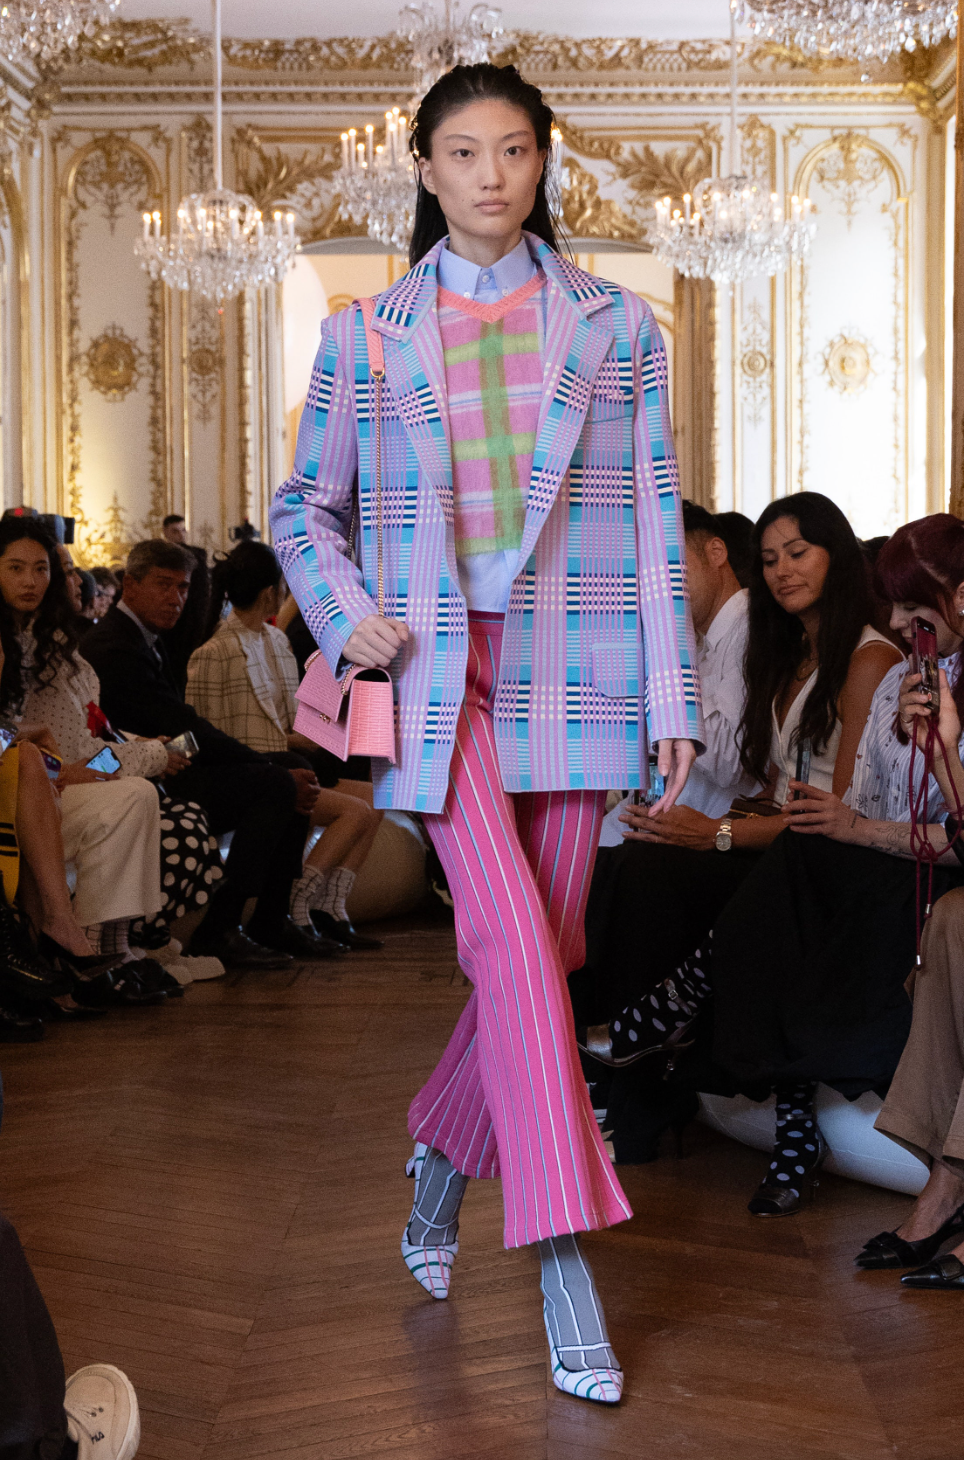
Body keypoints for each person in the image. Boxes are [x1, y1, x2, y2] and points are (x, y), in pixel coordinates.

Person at [272, 61, 706, 1405]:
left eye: (514, 151)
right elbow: (304, 514)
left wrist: (675, 695)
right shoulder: (365, 333)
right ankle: (567, 1253)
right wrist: (346, 616)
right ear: (425, 169)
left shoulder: (618, 326)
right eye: (464, 153)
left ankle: (443, 1159)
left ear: (541, 163)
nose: (491, 176)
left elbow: (651, 519)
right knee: (517, 948)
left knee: (550, 945)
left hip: (580, 671)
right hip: (440, 682)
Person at [615, 513, 964, 1218]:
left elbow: (948, 831)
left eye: (911, 607)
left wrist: (912, 777)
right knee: (785, 867)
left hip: (926, 869)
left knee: (799, 865)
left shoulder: (877, 666)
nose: (897, 623)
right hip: (871, 856)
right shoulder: (906, 678)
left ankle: (674, 1010)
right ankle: (786, 1120)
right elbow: (854, 794)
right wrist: (839, 819)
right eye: (890, 605)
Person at [576, 493, 901, 1102]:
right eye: (772, 558)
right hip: (786, 842)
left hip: (832, 857)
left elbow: (838, 812)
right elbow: (772, 785)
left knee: (663, 873)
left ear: (838, 557)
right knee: (635, 866)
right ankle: (628, 1072)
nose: (782, 571)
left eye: (799, 553)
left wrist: (718, 833)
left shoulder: (870, 659)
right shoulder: (793, 656)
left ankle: (656, 1035)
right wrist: (716, 824)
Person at [82, 540, 346, 968]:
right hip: (136, 773)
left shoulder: (145, 637)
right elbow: (183, 726)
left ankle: (270, 918)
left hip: (165, 757)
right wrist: (257, 763)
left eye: (183, 588)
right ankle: (221, 927)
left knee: (295, 768)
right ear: (129, 585)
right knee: (277, 781)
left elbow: (180, 732)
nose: (176, 598)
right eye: (164, 585)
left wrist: (254, 760)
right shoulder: (114, 646)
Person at [4, 531, 225, 968]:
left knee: (148, 796)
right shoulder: (55, 647)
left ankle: (118, 942)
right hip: (31, 787)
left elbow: (89, 748)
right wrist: (149, 755)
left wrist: (141, 750)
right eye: (18, 568)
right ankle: (108, 945)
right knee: (142, 796)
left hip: (59, 778)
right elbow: (74, 758)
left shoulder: (58, 647)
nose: (71, 581)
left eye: (49, 569)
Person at [186, 540, 383, 949]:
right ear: (268, 593)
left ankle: (327, 906)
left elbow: (287, 718)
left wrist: (320, 735)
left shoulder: (275, 641)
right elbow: (206, 732)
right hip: (247, 770)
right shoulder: (215, 651)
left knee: (375, 797)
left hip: (282, 759)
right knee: (312, 784)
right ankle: (295, 905)